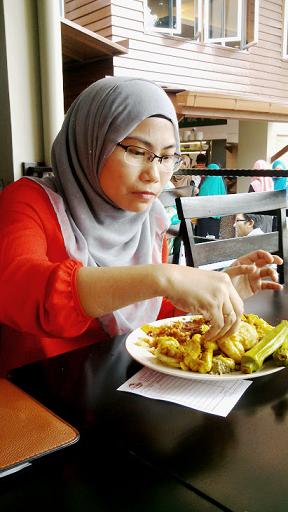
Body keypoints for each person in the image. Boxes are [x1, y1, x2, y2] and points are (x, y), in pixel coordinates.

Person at [0, 77, 282, 376]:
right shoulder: (27, 200)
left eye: (168, 157)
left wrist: (217, 292)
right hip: (40, 397)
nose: (154, 174)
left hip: (121, 384)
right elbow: (20, 290)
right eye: (136, 151)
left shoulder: (149, 218)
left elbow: (149, 312)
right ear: (91, 144)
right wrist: (162, 276)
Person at [195, 163, 227, 239]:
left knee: (202, 240)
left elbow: (198, 204)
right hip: (216, 219)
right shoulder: (221, 185)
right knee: (213, 239)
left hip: (204, 218)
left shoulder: (204, 186)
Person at [248, 160, 274, 233]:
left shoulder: (254, 184)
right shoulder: (270, 183)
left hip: (256, 217)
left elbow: (249, 202)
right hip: (269, 216)